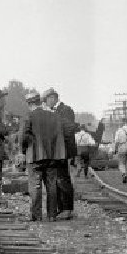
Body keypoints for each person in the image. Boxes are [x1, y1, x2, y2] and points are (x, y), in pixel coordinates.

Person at [20, 92, 66, 221]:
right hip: (52, 157)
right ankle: (52, 215)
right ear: (39, 102)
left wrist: (24, 150)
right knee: (51, 186)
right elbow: (59, 136)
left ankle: (37, 215)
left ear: (29, 104)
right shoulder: (53, 116)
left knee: (35, 186)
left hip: (35, 157)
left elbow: (24, 137)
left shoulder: (29, 116)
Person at [43, 88, 76, 219]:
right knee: (58, 179)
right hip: (57, 151)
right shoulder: (54, 111)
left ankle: (67, 209)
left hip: (63, 150)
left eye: (47, 100)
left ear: (53, 98)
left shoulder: (65, 110)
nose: (46, 103)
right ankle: (62, 208)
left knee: (63, 179)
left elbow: (68, 130)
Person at [113, 118, 127, 183]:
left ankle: (124, 174)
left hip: (122, 147)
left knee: (122, 163)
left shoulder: (119, 130)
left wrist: (115, 149)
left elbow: (116, 141)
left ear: (124, 123)